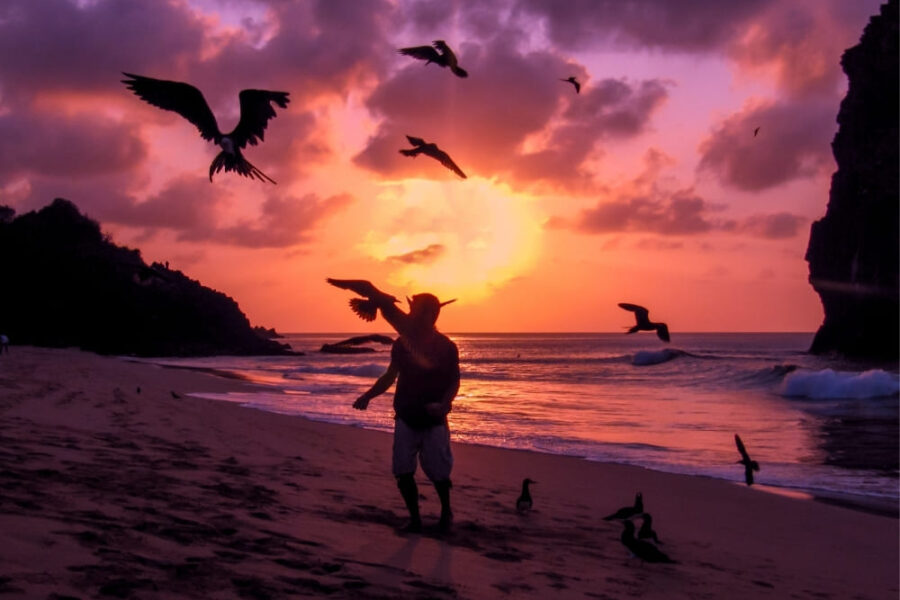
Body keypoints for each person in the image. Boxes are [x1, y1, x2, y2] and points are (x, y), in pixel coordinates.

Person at [353, 293, 460, 533]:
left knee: (440, 473)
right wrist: (368, 395)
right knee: (403, 471)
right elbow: (391, 376)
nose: (424, 316)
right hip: (406, 416)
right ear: (412, 313)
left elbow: (454, 380)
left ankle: (446, 513)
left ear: (436, 314)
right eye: (421, 311)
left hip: (434, 421)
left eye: (430, 312)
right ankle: (414, 519)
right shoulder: (401, 345)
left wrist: (444, 404)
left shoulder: (446, 346)